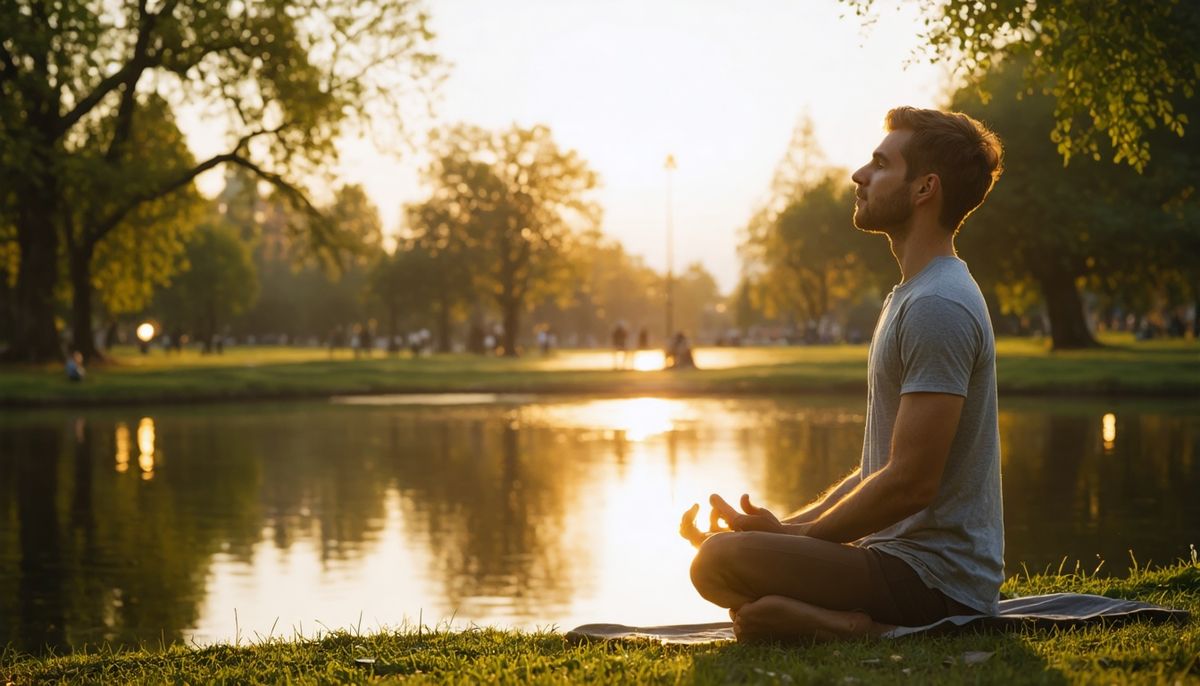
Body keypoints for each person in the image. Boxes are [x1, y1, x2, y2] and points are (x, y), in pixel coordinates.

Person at [681, 106, 1005, 643]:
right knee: (725, 559)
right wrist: (788, 530)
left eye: (880, 164)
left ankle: (857, 630)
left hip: (936, 583)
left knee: (716, 563)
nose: (859, 175)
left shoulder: (938, 304)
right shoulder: (914, 294)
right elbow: (877, 470)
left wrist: (806, 538)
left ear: (925, 188)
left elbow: (910, 484)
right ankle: (793, 614)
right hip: (894, 561)